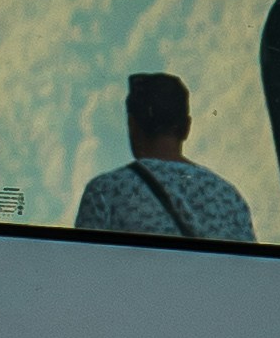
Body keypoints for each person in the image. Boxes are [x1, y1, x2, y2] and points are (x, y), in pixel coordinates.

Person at [77, 71, 258, 245]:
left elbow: (83, 266)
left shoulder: (105, 192)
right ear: (186, 127)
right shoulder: (229, 197)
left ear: (132, 125)